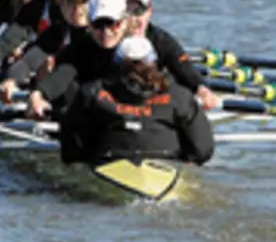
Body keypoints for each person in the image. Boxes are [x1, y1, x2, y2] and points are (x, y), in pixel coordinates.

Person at [57, 36, 215, 166]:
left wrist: (81, 160)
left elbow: (70, 142)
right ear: (154, 63)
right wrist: (188, 160)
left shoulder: (92, 92)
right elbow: (203, 149)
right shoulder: (179, 96)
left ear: (116, 63)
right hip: (166, 163)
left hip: (108, 161)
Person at [27, 0, 130, 119]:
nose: (106, 32)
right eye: (98, 24)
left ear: (125, 22)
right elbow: (64, 73)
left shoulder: (141, 49)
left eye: (113, 24)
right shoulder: (82, 46)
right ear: (90, 23)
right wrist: (38, 94)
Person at [119, 0, 220, 110]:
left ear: (149, 11)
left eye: (139, 11)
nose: (133, 19)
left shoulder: (161, 40)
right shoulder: (107, 38)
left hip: (151, 104)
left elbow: (185, 70)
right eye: (127, 11)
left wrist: (203, 90)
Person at [0, 0, 98, 103]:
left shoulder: (101, 35)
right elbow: (28, 62)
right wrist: (11, 81)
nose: (77, 9)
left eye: (84, 2)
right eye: (71, 1)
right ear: (61, 4)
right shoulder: (58, 30)